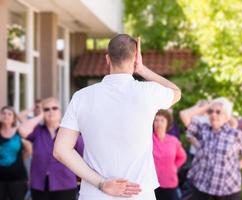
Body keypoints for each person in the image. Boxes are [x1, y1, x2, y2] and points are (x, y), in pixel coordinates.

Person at [53, 34, 181, 200]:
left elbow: (61, 150)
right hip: (139, 194)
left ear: (107, 59)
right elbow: (176, 92)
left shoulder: (82, 97)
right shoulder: (149, 92)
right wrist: (142, 69)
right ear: (135, 58)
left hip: (94, 194)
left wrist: (101, 183)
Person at [185, 97, 242, 200]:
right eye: (211, 111)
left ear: (227, 117)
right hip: (202, 188)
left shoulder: (235, 134)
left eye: (218, 112)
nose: (213, 114)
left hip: (228, 190)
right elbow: (185, 115)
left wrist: (237, 166)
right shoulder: (203, 129)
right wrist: (208, 106)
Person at [18, 98, 84, 200]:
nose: (51, 111)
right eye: (46, 109)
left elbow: (82, 155)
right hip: (39, 184)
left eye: (54, 108)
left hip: (65, 183)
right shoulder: (37, 131)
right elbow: (22, 130)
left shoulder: (70, 132)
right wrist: (40, 115)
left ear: (60, 111)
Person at [153, 110, 187, 200]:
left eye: (162, 120)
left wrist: (175, 167)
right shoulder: (148, 139)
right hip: (152, 182)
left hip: (169, 181)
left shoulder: (173, 140)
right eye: (156, 120)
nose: (158, 123)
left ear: (167, 123)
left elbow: (182, 157)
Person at [0, 106, 31, 200]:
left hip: (18, 179)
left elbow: (29, 150)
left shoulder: (19, 132)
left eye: (9, 114)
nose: (6, 116)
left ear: (14, 118)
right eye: (3, 113)